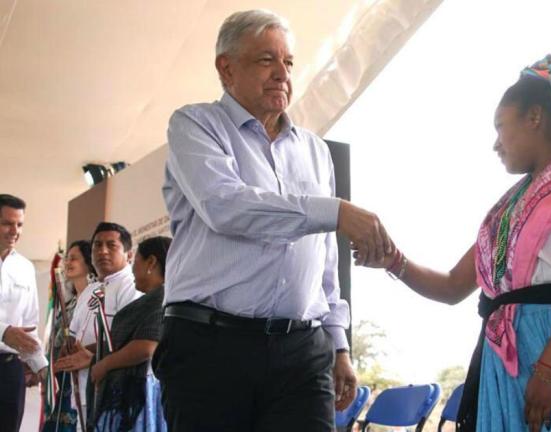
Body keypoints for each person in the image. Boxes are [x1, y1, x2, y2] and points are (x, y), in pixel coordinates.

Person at [361, 56, 551, 432]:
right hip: (511, 354)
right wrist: (393, 260)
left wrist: (548, 369)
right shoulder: (507, 208)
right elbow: (451, 286)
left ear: (534, 118)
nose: (496, 143)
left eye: (501, 126)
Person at [153, 9, 393, 431]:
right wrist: (334, 211)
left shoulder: (316, 151)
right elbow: (225, 205)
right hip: (210, 350)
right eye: (266, 60)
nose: (282, 73)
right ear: (226, 68)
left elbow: (322, 259)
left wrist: (339, 345)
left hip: (301, 353)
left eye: (288, 62)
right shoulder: (195, 124)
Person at [55, 223, 142, 428]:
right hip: (83, 392)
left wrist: (91, 355)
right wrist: (69, 350)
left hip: (114, 394)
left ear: (129, 254)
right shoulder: (90, 290)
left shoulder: (132, 286)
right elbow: (74, 336)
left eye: (111, 245)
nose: (102, 251)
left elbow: (130, 338)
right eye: (97, 245)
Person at [90, 236, 171, 432]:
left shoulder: (161, 298)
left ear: (151, 262)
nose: (132, 270)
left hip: (140, 396)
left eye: (136, 262)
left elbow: (147, 346)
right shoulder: (157, 299)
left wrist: (104, 365)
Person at [0, 194, 48, 432]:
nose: (14, 231)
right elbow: (10, 332)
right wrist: (4, 332)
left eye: (19, 225)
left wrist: (42, 366)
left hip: (10, 371)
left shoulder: (25, 268)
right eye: (7, 223)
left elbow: (29, 325)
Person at [43, 240, 97, 431]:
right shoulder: (69, 303)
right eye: (67, 258)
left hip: (84, 375)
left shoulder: (98, 298)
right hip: (62, 377)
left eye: (74, 258)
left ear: (88, 263)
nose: (67, 263)